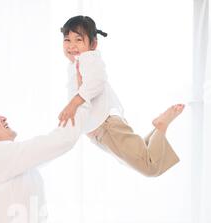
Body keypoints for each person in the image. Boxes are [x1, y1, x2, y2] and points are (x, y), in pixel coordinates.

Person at [58, 15, 185, 177]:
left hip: (108, 128)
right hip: (102, 132)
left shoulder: (89, 59)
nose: (71, 45)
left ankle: (161, 127)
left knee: (149, 166)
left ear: (93, 44)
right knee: (141, 155)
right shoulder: (77, 63)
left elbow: (96, 81)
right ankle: (156, 130)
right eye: (67, 40)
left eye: (78, 40)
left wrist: (73, 104)